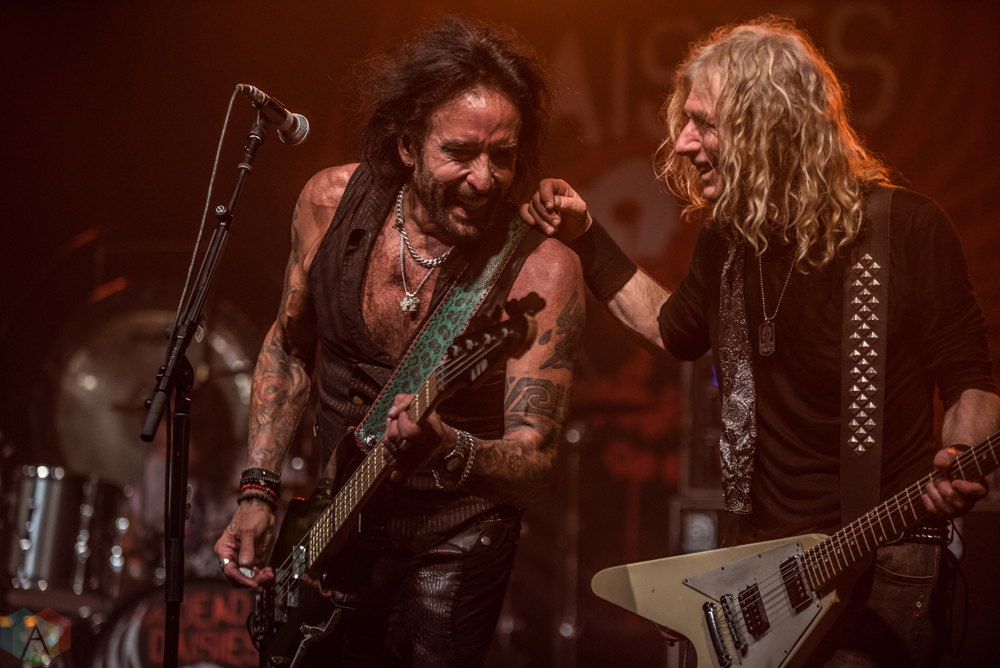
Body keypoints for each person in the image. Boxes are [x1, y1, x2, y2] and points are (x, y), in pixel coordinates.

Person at [520, 16, 999, 668]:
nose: (684, 142)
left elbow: (970, 379)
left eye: (705, 123)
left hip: (882, 556)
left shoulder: (904, 229)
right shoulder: (729, 239)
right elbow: (672, 330)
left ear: (772, 126)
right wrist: (586, 237)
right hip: (760, 565)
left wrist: (962, 459)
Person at [214, 17, 584, 667]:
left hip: (451, 545)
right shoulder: (329, 203)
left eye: (502, 156)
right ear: (409, 144)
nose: (484, 178)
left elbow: (535, 463)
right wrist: (259, 489)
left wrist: (450, 449)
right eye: (460, 152)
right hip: (330, 532)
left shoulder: (541, 271)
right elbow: (289, 346)